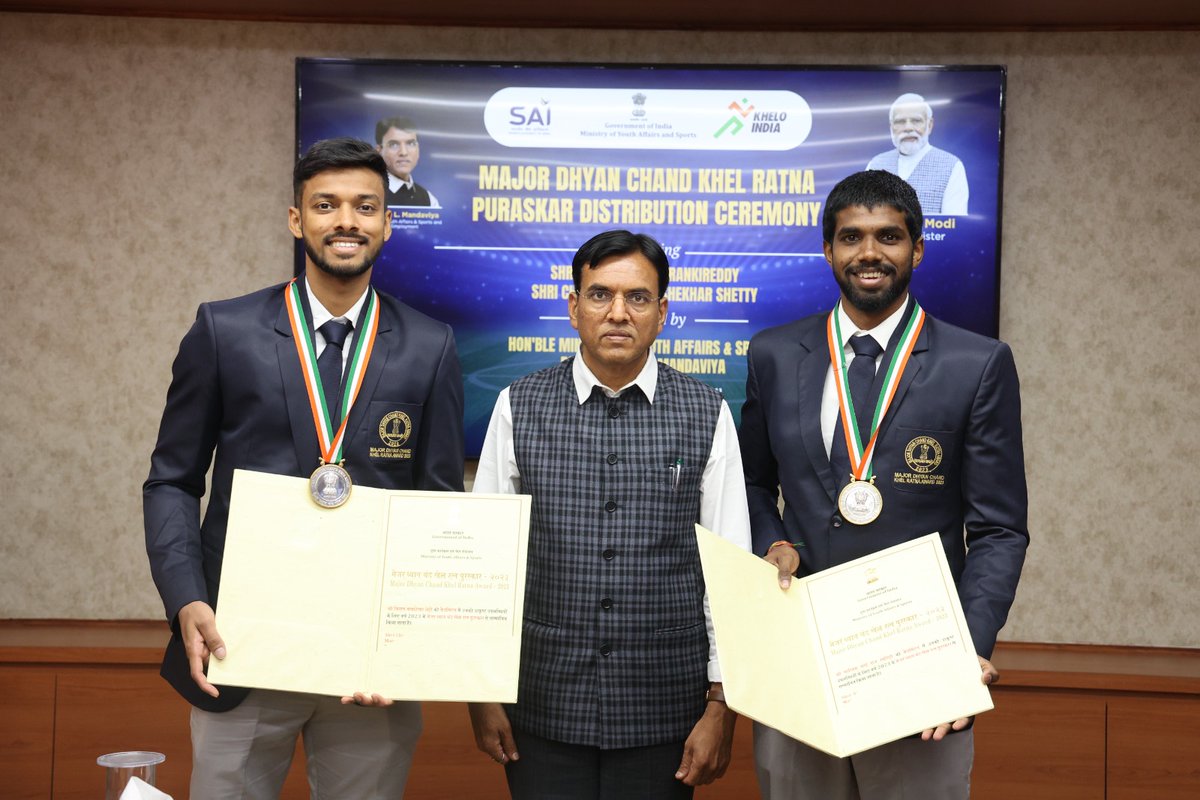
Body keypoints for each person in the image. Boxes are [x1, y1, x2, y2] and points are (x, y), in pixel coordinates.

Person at [143, 137, 464, 799]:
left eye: (364, 206)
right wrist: (186, 599)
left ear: (386, 223)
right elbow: (172, 479)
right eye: (326, 204)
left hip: (368, 670)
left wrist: (411, 646)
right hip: (239, 650)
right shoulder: (222, 330)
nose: (346, 220)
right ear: (297, 220)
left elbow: (436, 506)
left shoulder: (430, 346)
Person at [739, 170, 1028, 799]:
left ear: (917, 249)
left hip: (918, 667)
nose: (869, 253)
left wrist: (967, 646)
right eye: (851, 237)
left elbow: (1000, 528)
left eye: (888, 236)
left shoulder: (976, 364)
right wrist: (772, 542)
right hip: (799, 661)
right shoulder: (774, 354)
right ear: (828, 250)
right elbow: (754, 485)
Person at [468, 230, 751, 799]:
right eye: (599, 295)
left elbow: (730, 573)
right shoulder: (517, 405)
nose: (618, 312)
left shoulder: (707, 412)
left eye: (638, 298)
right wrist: (481, 692)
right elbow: (485, 562)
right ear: (573, 308)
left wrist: (722, 706)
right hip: (542, 701)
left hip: (665, 704)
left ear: (662, 312)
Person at [866, 93, 969, 216]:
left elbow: (954, 226)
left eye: (916, 120)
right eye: (900, 121)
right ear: (891, 127)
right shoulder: (875, 164)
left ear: (929, 125)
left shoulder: (952, 166)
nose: (908, 127)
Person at [375, 116, 440, 208]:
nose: (403, 152)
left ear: (418, 149)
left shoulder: (429, 200)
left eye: (411, 143)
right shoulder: (369, 192)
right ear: (379, 150)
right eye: (393, 144)